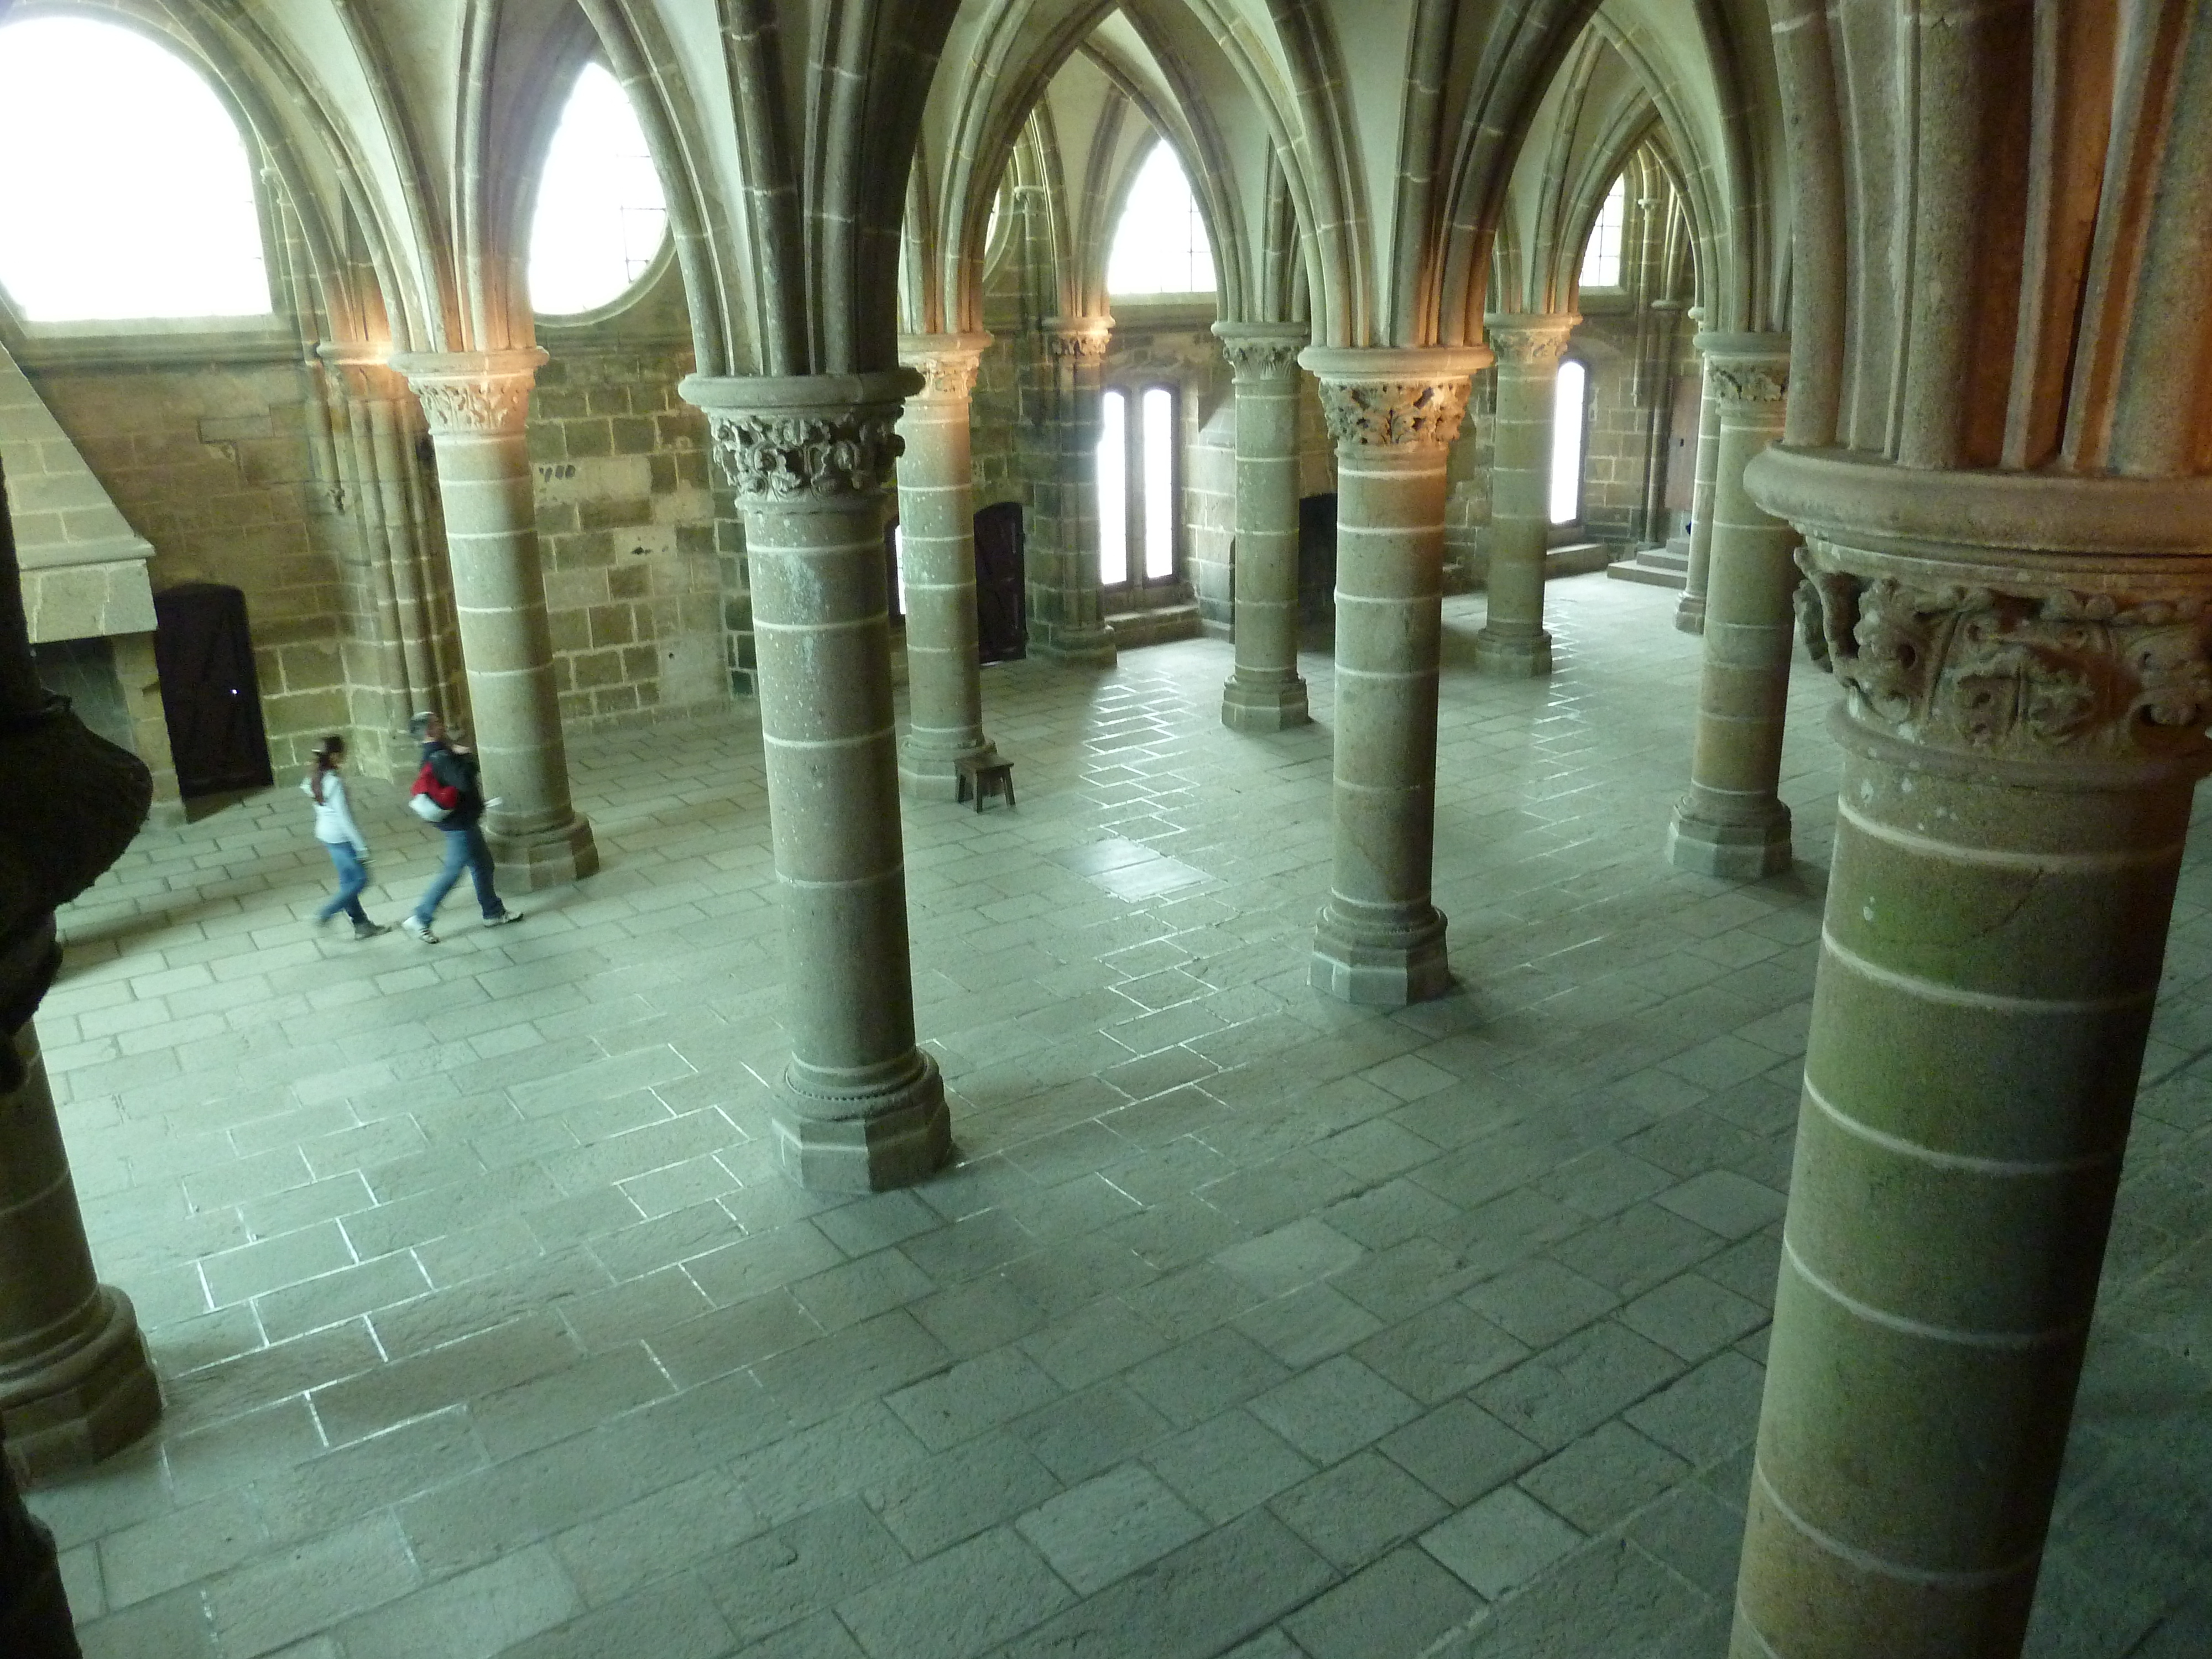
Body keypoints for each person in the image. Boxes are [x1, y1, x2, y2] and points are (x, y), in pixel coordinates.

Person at [401, 710, 523, 943]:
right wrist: (465, 756)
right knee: (453, 872)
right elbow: (465, 783)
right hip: (460, 825)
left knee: (483, 865)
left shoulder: (435, 753)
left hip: (462, 821)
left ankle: (493, 912)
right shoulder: (441, 756)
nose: (442, 724)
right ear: (429, 732)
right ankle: (421, 918)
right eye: (437, 723)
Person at [302, 736, 389, 940]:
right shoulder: (334, 783)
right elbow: (345, 819)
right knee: (361, 879)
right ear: (334, 756)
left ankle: (361, 925)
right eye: (341, 753)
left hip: (325, 834)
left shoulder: (313, 778)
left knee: (347, 882)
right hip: (340, 837)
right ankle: (325, 913)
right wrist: (361, 847)